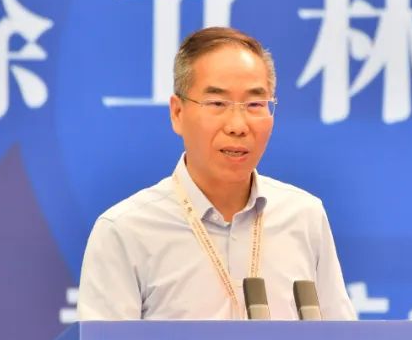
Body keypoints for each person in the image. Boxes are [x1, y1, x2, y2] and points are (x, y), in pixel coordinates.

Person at [76, 27, 356, 321]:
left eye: (255, 105)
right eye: (217, 104)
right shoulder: (125, 231)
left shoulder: (304, 216)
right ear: (177, 113)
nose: (237, 125)